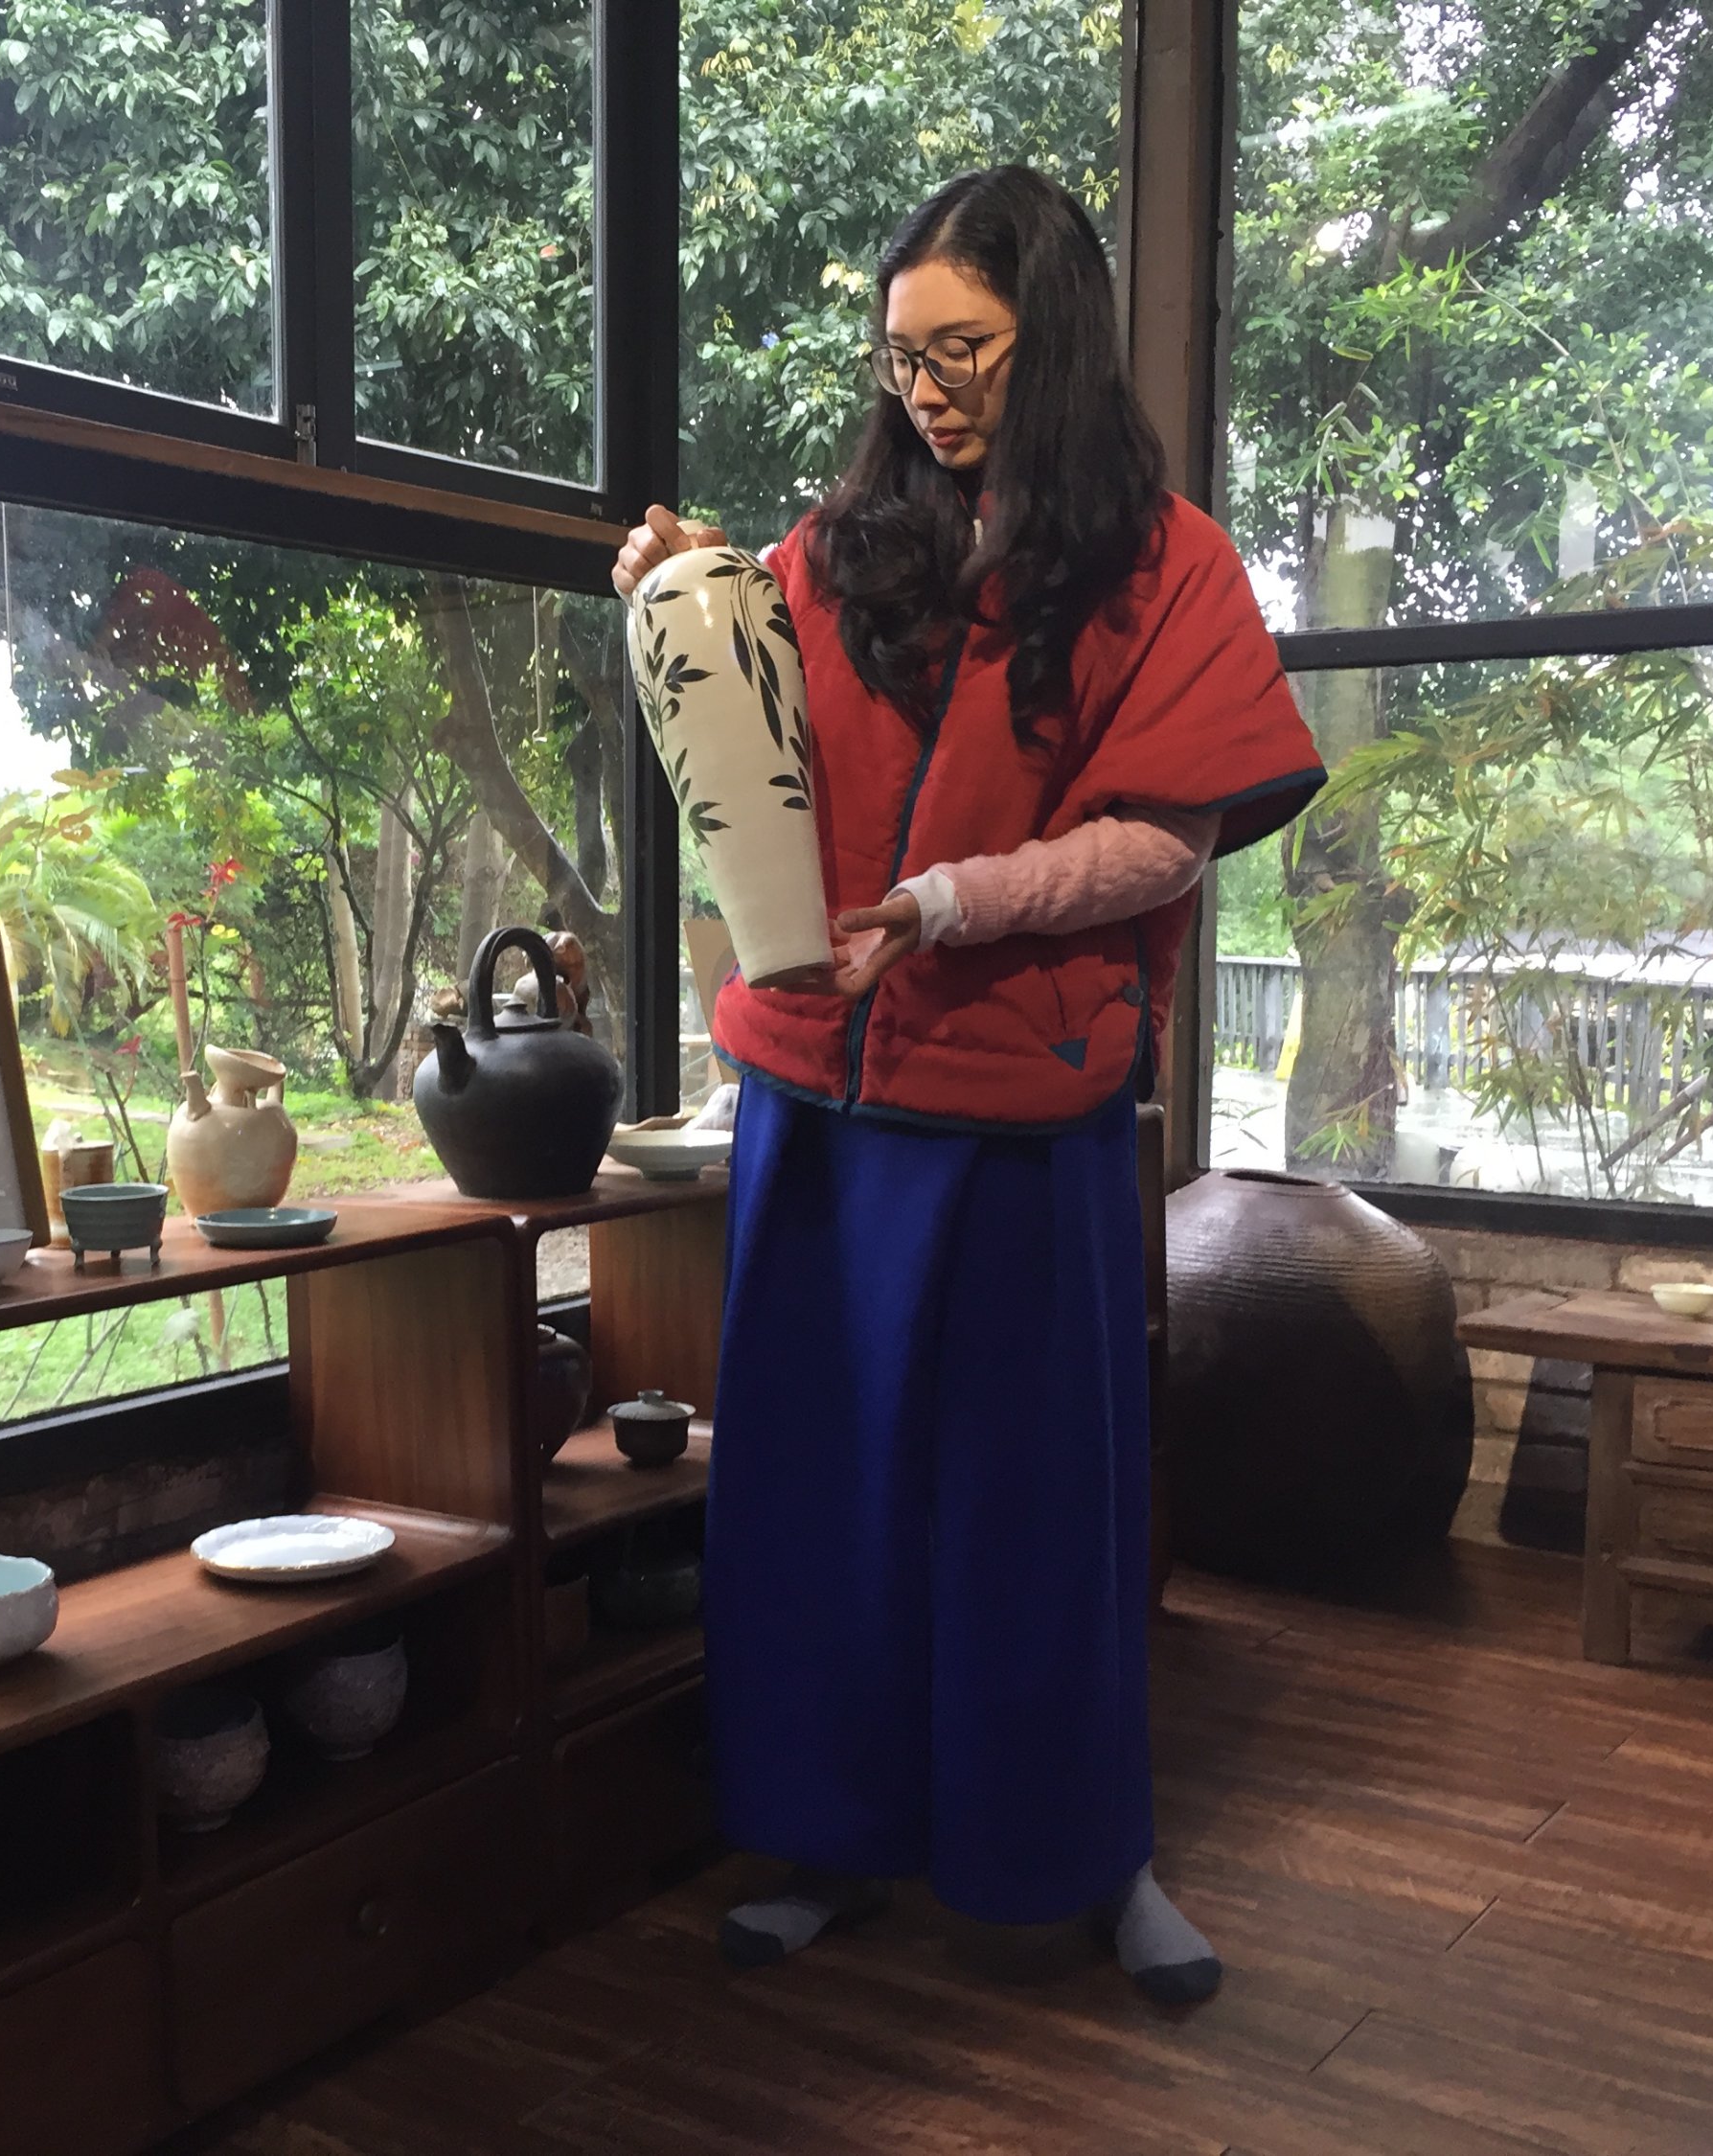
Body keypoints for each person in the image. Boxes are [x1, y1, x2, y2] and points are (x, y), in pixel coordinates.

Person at [613, 167, 1324, 2003]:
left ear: (1052, 335)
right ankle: (827, 1836)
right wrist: (681, 597)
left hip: (1025, 1101)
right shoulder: (837, 544)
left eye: (967, 350)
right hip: (815, 1099)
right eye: (903, 355)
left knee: (1037, 1508)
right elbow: (740, 748)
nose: (925, 390)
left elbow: (1165, 839)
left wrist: (946, 904)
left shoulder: (1167, 564)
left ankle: (1091, 1855)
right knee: (817, 1495)